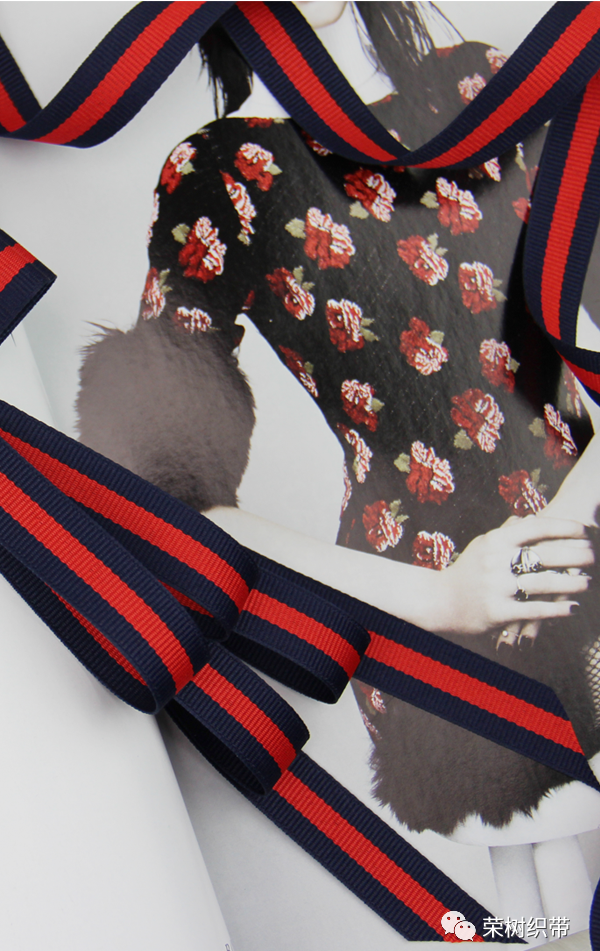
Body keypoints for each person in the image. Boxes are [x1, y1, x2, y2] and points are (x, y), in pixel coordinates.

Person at [75, 0, 600, 841]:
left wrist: (562, 527)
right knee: (532, 876)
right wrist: (448, 596)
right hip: (430, 602)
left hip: (587, 511)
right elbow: (166, 497)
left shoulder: (488, 85)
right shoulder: (227, 174)